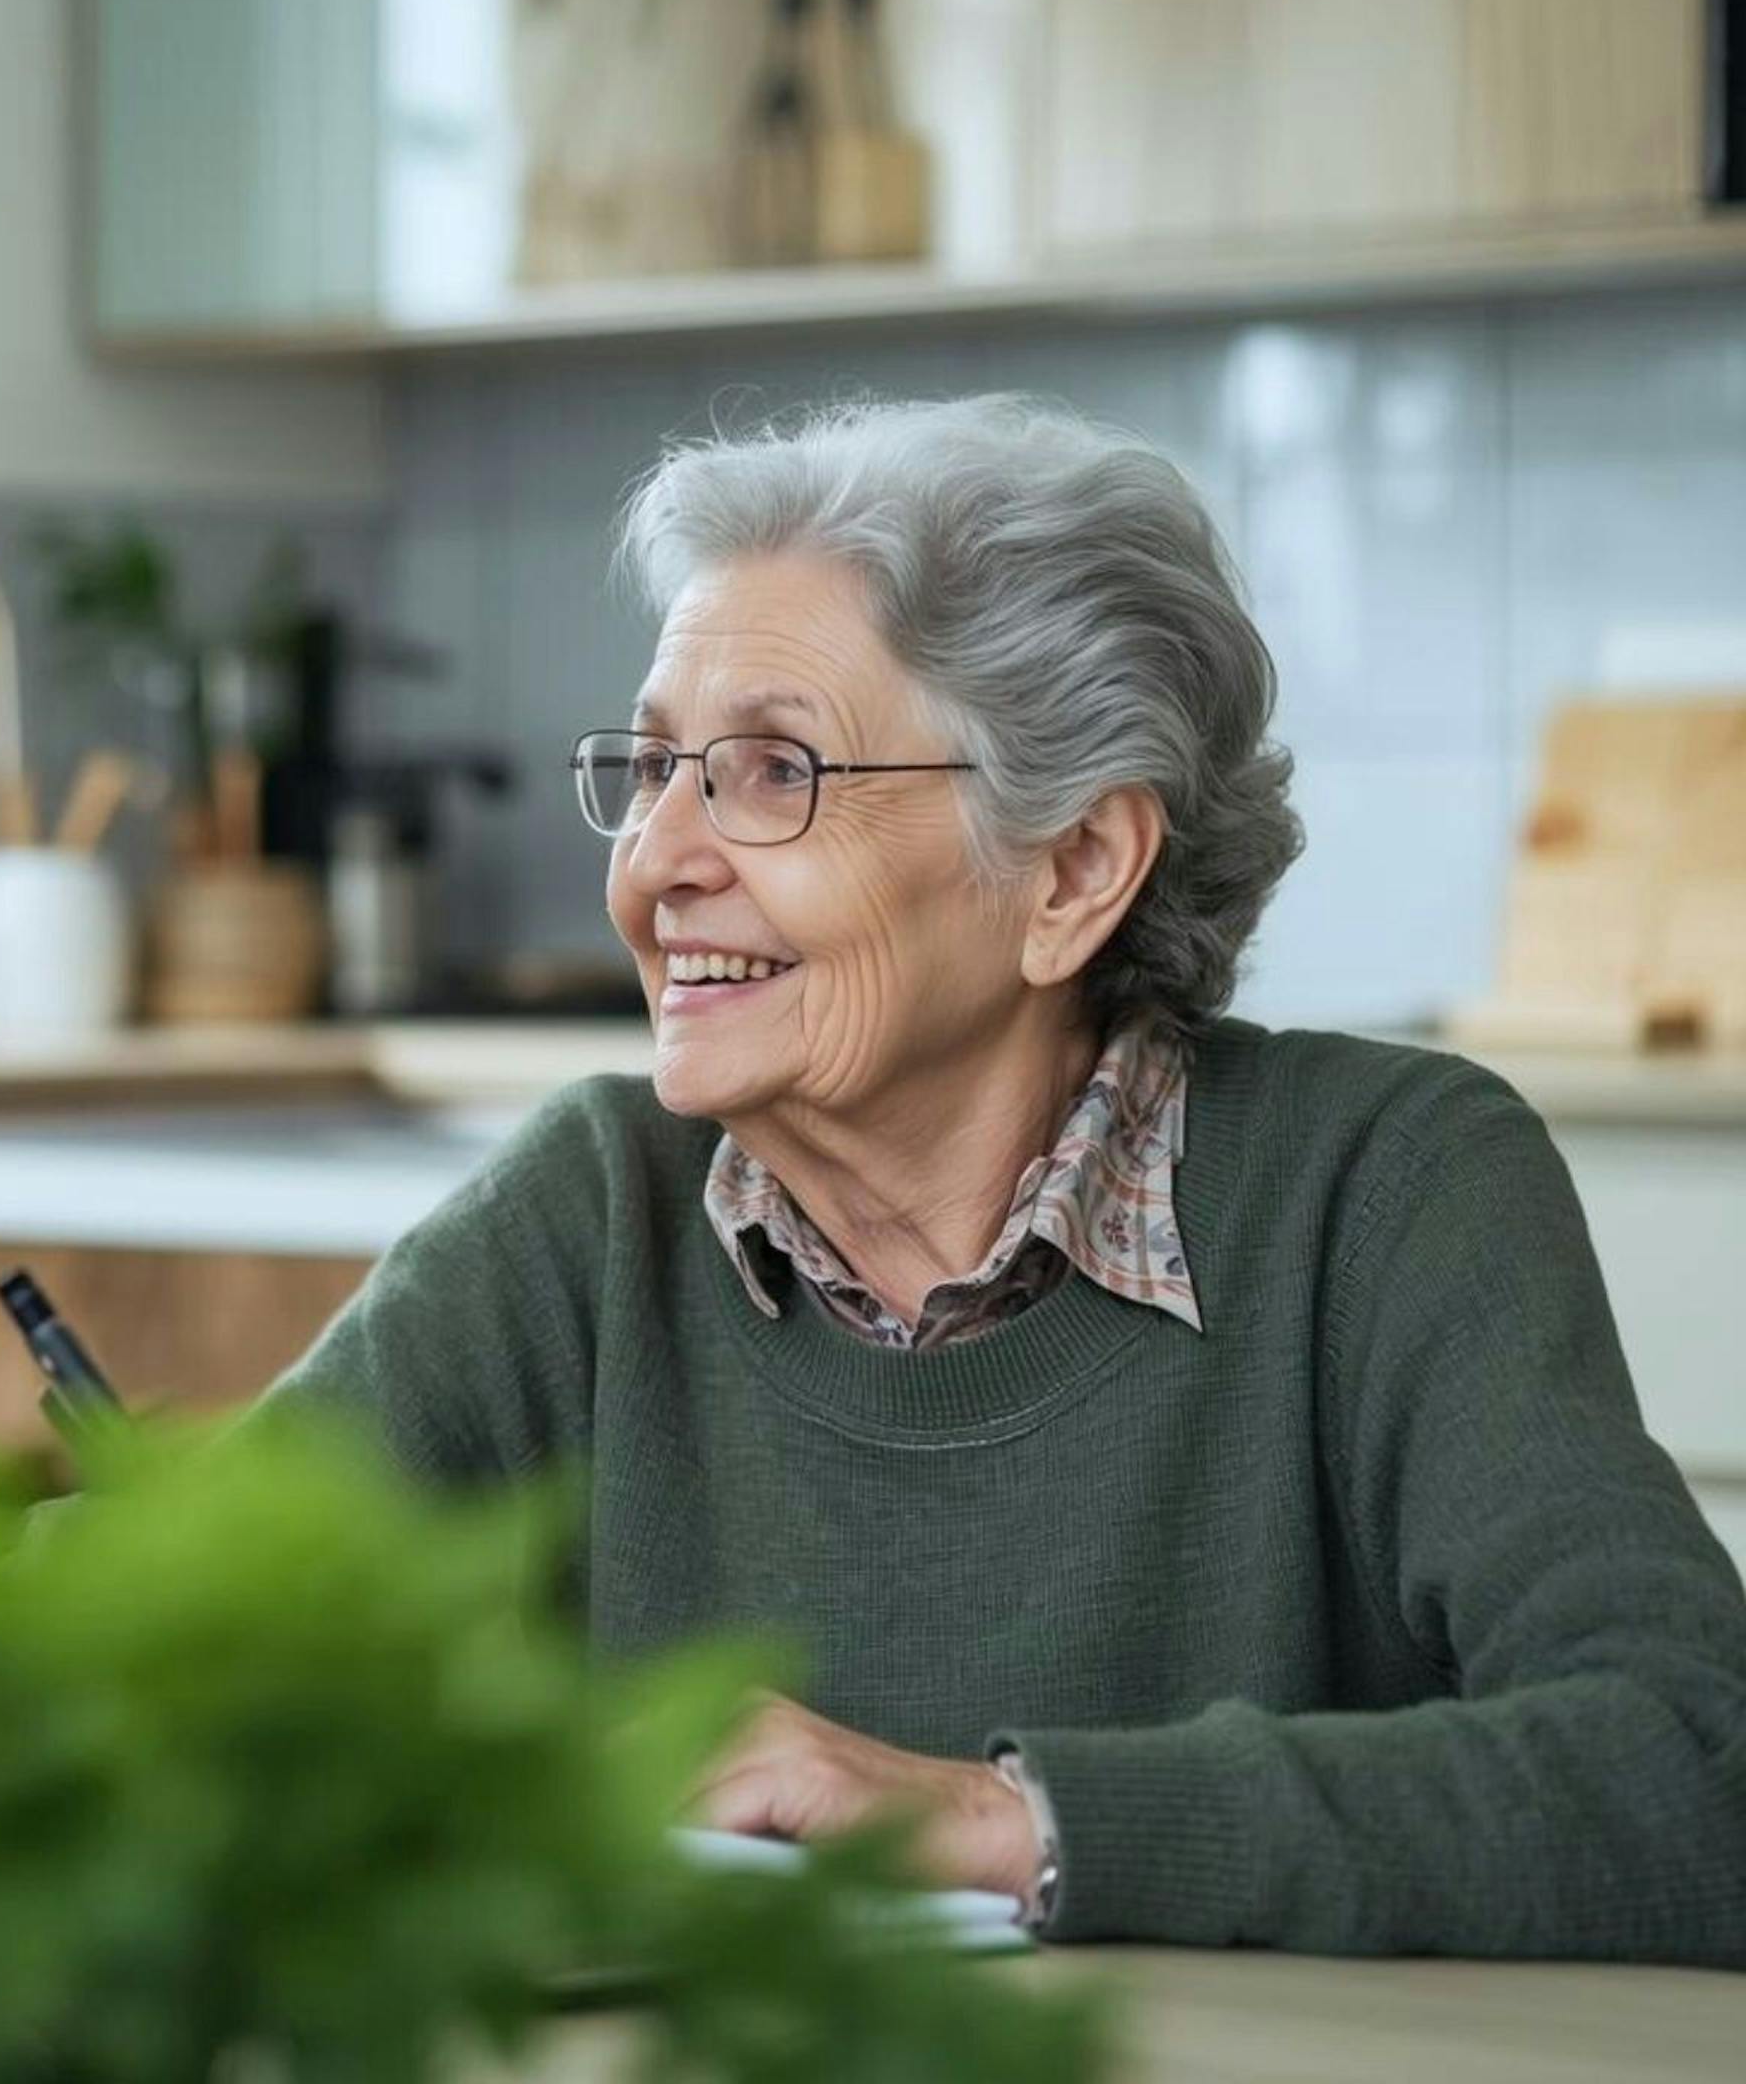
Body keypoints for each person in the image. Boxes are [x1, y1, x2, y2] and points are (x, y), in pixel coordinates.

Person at [273, 395, 1746, 1961]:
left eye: (775, 773)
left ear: (1071, 871)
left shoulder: (1381, 1187)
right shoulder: (591, 1211)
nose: (655, 862)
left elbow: (1694, 1767)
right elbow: (143, 1635)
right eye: (651, 769)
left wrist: (985, 1821)